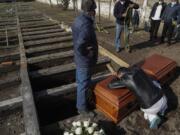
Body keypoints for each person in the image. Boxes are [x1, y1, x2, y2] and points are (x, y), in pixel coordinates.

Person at [71, 0, 98, 117]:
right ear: (91, 11)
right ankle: (82, 108)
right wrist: (88, 52)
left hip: (78, 58)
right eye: (94, 10)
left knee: (80, 81)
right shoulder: (87, 25)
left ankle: (82, 99)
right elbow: (80, 45)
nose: (95, 13)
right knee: (84, 84)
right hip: (84, 61)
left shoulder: (78, 19)